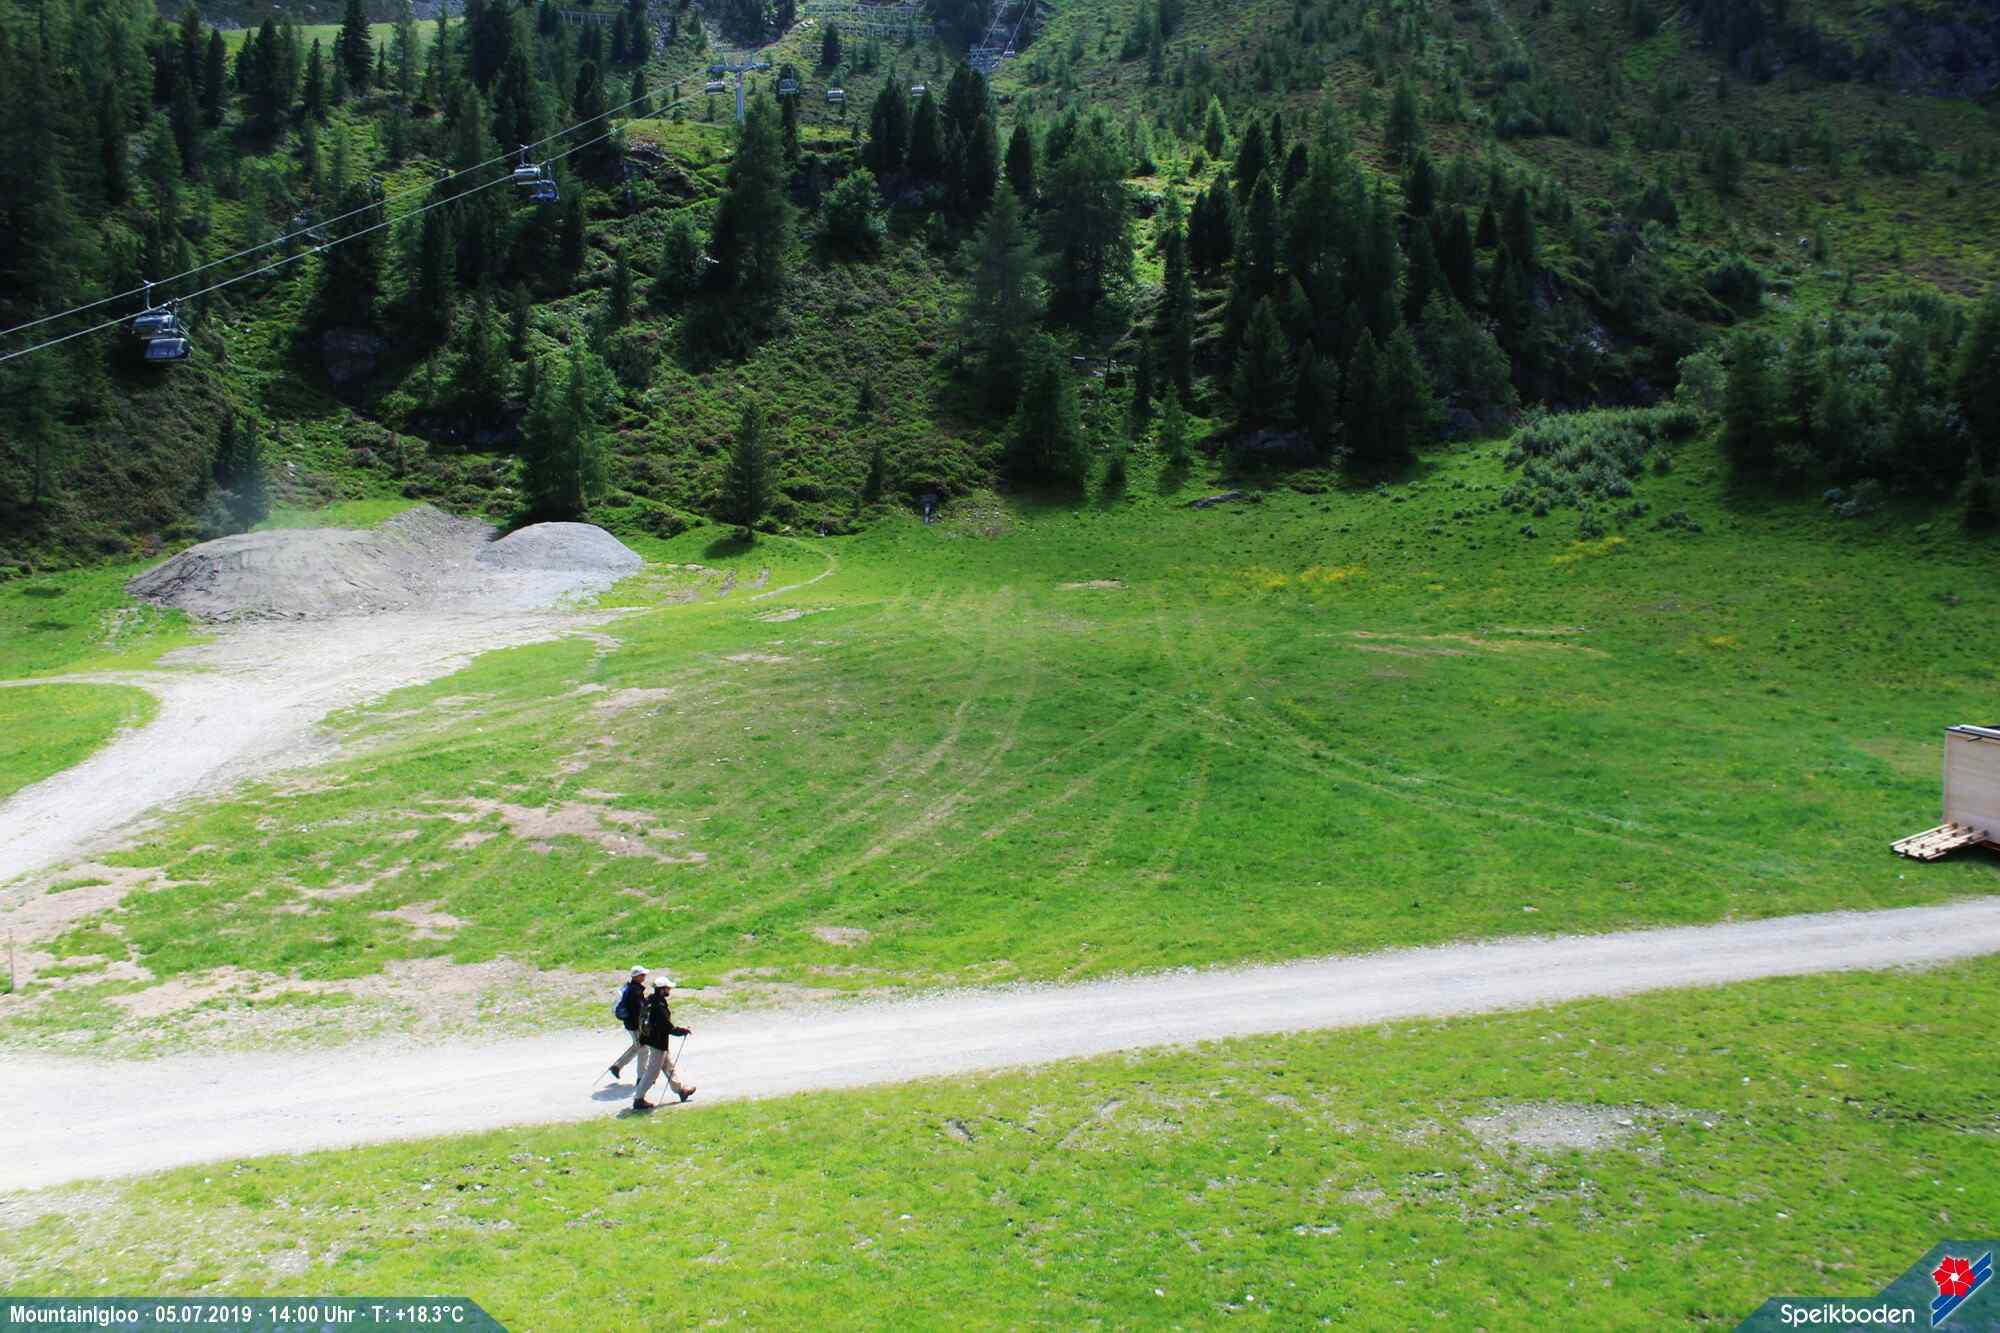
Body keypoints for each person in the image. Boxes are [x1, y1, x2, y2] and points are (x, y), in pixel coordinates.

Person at [633, 975, 696, 1110]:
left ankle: (681, 1090)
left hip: (652, 1039)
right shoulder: (659, 1006)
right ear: (662, 989)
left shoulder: (650, 1000)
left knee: (668, 1066)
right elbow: (666, 1026)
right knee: (652, 1073)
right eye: (668, 988)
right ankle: (638, 1099)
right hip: (658, 1043)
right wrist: (681, 1031)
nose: (669, 990)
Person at [608, 965, 648, 1082]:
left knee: (637, 1046)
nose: (644, 976)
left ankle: (617, 1066)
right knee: (643, 1049)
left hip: (631, 1024)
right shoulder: (634, 991)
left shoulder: (633, 988)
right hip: (635, 1025)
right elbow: (637, 1011)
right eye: (642, 975)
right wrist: (642, 1025)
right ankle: (641, 1077)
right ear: (636, 976)